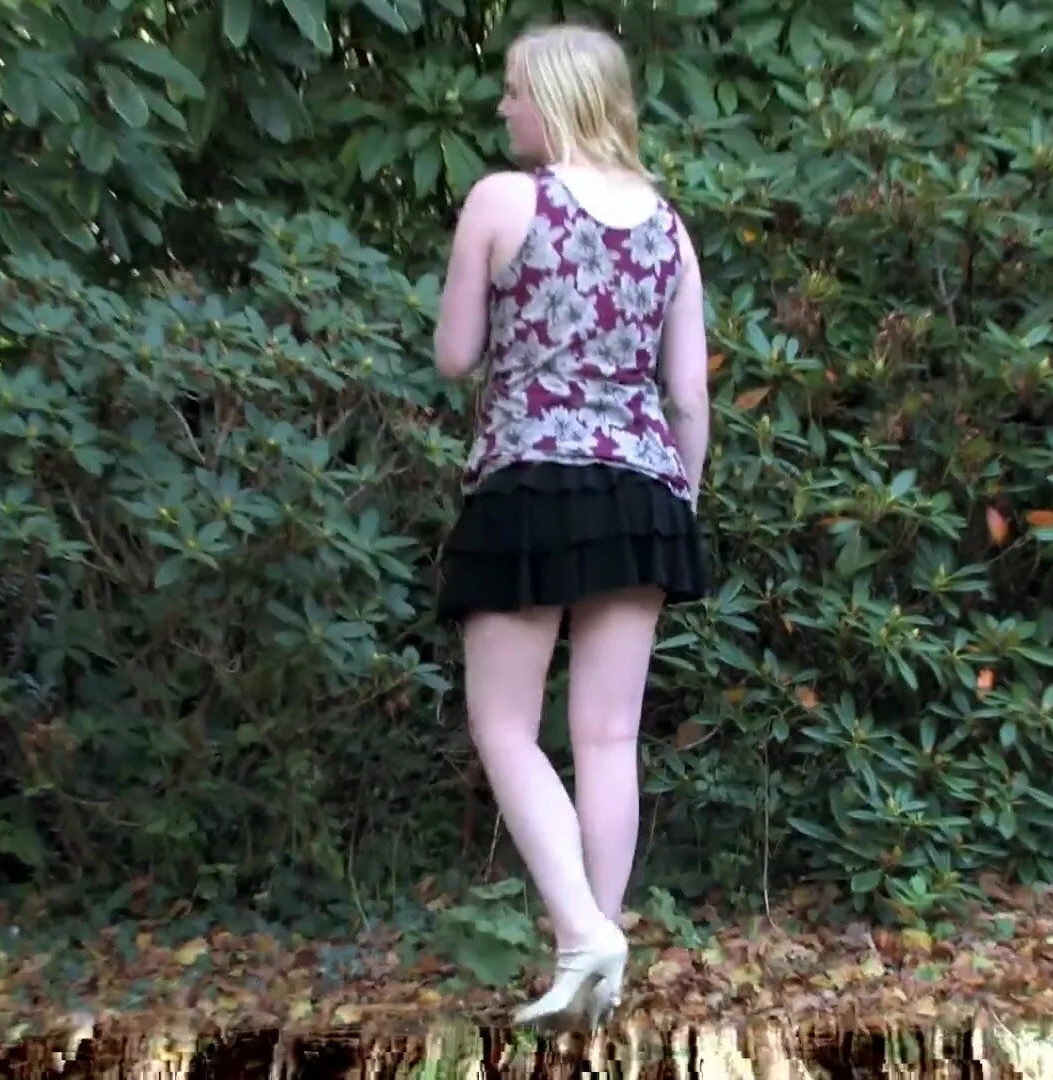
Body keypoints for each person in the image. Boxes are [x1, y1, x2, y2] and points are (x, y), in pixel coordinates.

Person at [429, 23, 712, 1028]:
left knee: (505, 725)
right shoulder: (669, 226)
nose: (503, 106)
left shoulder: (503, 201)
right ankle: (598, 959)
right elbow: (688, 398)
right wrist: (680, 502)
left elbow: (455, 356)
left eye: (514, 90)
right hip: (643, 493)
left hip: (531, 486)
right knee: (608, 735)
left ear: (553, 98)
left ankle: (583, 934)